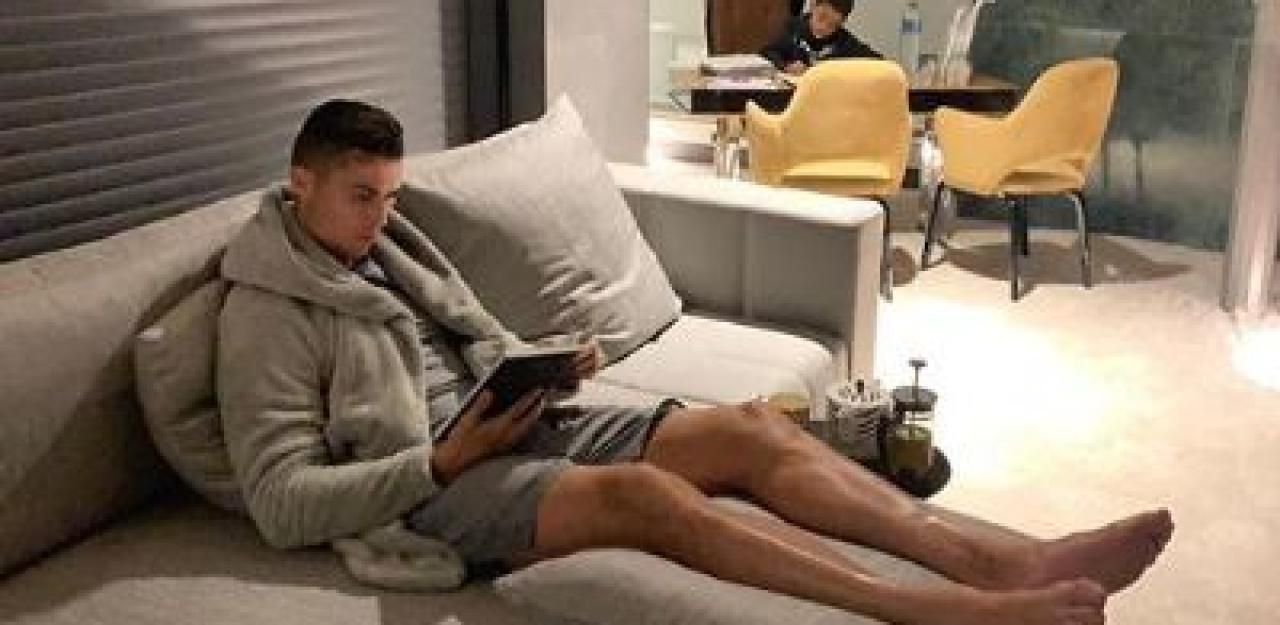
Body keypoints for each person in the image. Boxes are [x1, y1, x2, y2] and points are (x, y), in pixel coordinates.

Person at [217, 99, 1174, 625]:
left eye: (390, 195)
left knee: (752, 427)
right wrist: (441, 461)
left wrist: (545, 365)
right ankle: (926, 609)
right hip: (432, 486)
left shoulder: (386, 246)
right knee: (653, 498)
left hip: (507, 419)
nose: (382, 216)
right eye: (362, 196)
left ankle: (1004, 558)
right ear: (300, 183)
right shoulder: (266, 313)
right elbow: (281, 503)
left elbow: (471, 337)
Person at [762, 0, 882, 76]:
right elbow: (768, 50)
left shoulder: (844, 42)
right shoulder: (792, 27)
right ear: (813, 6)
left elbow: (878, 62)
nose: (823, 28)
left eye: (833, 25)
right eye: (821, 17)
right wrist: (786, 66)